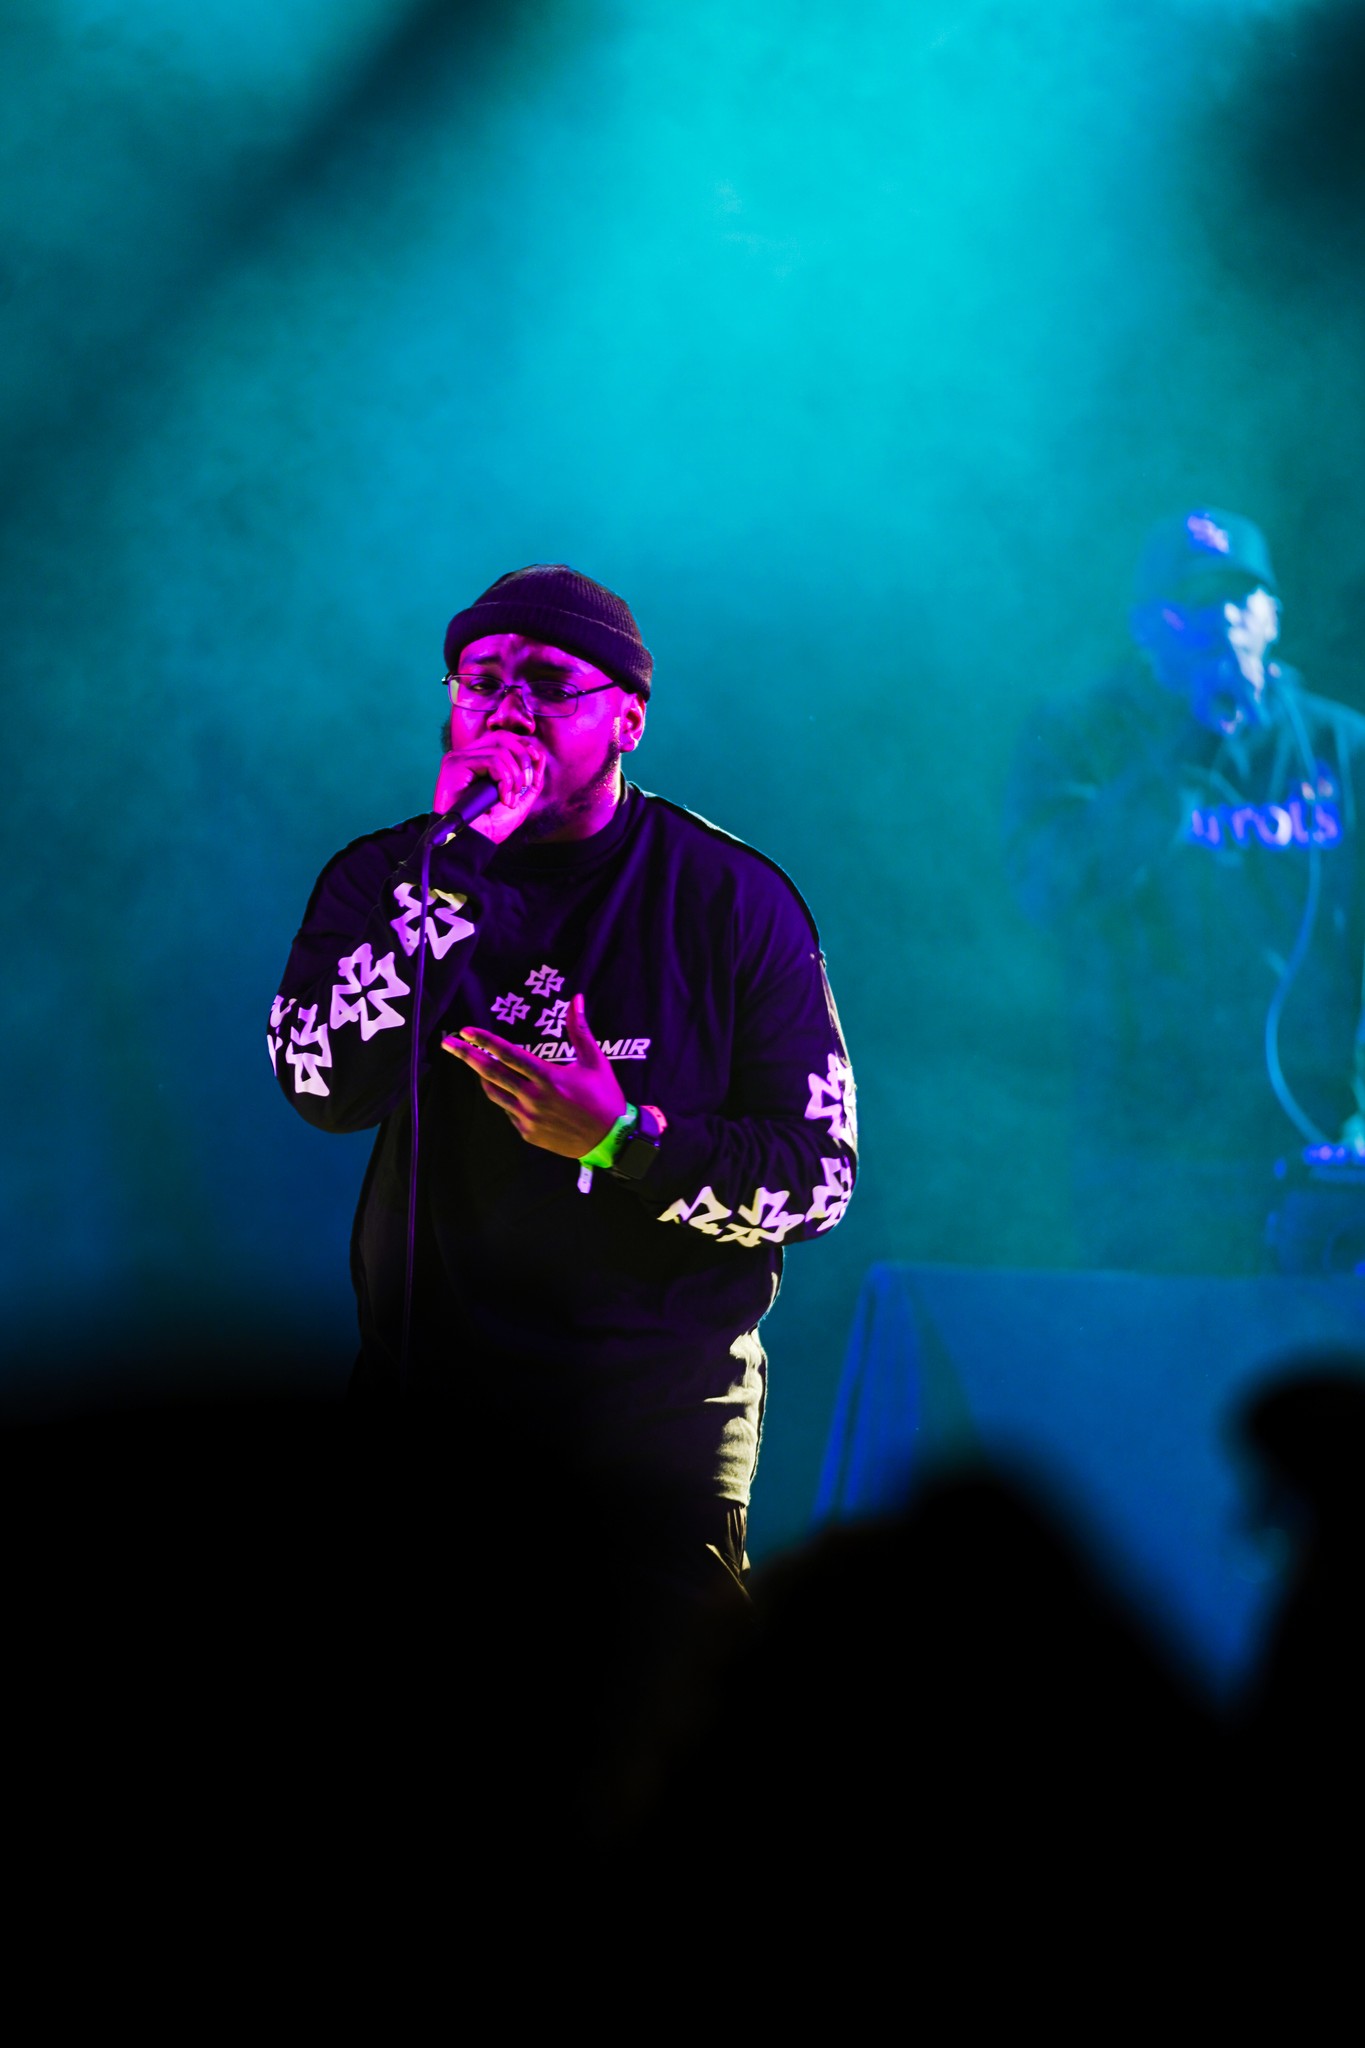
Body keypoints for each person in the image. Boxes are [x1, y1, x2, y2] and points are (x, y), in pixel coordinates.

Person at [269, 563, 857, 1591]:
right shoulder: (389, 879)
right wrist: (455, 874)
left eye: (547, 681)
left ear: (627, 718)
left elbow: (818, 1179)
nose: (507, 706)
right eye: (479, 679)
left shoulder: (733, 901)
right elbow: (321, 1084)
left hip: (654, 1437)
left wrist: (622, 1139)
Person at [1005, 507, 1365, 1274]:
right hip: (1143, 1135)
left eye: (1241, 595)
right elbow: (1047, 888)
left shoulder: (1341, 747)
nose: (1222, 616)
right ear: (1145, 626)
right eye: (1192, 600)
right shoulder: (1078, 736)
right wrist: (1183, 751)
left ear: (1274, 615)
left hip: (1305, 1124)